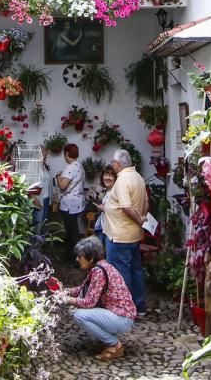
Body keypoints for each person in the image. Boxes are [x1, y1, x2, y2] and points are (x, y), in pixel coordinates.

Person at [60, 236, 136, 361]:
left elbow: (89, 302)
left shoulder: (99, 271)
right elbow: (83, 289)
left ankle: (115, 344)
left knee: (79, 315)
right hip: (120, 314)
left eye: (80, 256)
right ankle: (110, 340)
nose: (77, 259)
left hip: (122, 318)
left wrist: (67, 300)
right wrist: (64, 291)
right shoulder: (99, 267)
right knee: (78, 311)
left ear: (91, 258)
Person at [103, 148, 148, 314]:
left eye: (113, 163)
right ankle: (139, 304)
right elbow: (146, 201)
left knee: (120, 272)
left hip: (119, 234)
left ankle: (125, 307)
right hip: (134, 234)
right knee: (135, 269)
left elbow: (126, 207)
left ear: (117, 164)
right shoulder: (138, 177)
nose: (112, 166)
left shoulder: (122, 180)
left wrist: (138, 218)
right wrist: (142, 217)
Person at [56, 143, 86, 259]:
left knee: (71, 232)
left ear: (67, 153)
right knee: (74, 230)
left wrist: (58, 176)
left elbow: (63, 185)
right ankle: (72, 256)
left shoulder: (70, 167)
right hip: (78, 203)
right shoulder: (79, 165)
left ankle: (74, 258)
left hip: (69, 205)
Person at [91, 165, 118, 250]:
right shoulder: (107, 191)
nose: (108, 178)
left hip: (112, 232)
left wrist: (104, 209)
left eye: (111, 175)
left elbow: (119, 212)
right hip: (104, 227)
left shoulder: (116, 192)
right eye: (106, 174)